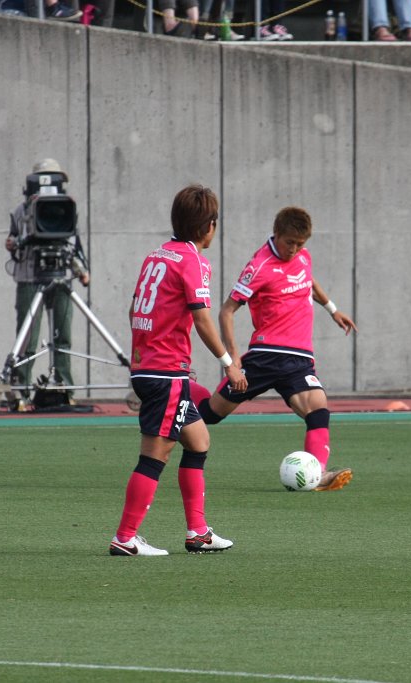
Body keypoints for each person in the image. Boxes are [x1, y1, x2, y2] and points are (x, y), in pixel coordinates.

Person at [109, 185, 247, 557]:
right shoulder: (194, 261)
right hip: (165, 373)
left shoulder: (155, 255)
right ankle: (125, 537)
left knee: (198, 441)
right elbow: (202, 319)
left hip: (155, 368)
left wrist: (151, 356)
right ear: (209, 226)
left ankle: (198, 533)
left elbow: (135, 310)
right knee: (155, 455)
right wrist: (229, 364)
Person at [192, 207, 357, 492]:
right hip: (265, 357)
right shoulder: (260, 266)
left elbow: (307, 280)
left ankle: (318, 474)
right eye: (289, 242)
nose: (294, 249)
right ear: (276, 234)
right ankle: (178, 391)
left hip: (299, 358)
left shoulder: (303, 256)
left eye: (300, 244)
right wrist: (233, 359)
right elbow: (227, 311)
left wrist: (332, 309)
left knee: (318, 409)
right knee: (211, 414)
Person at [4, 159, 89, 409]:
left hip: (60, 276)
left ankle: (64, 387)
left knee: (63, 335)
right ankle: (21, 390)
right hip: (30, 278)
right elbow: (14, 238)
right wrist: (12, 243)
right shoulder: (21, 211)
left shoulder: (67, 207)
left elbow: (70, 242)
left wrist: (81, 270)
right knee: (28, 339)